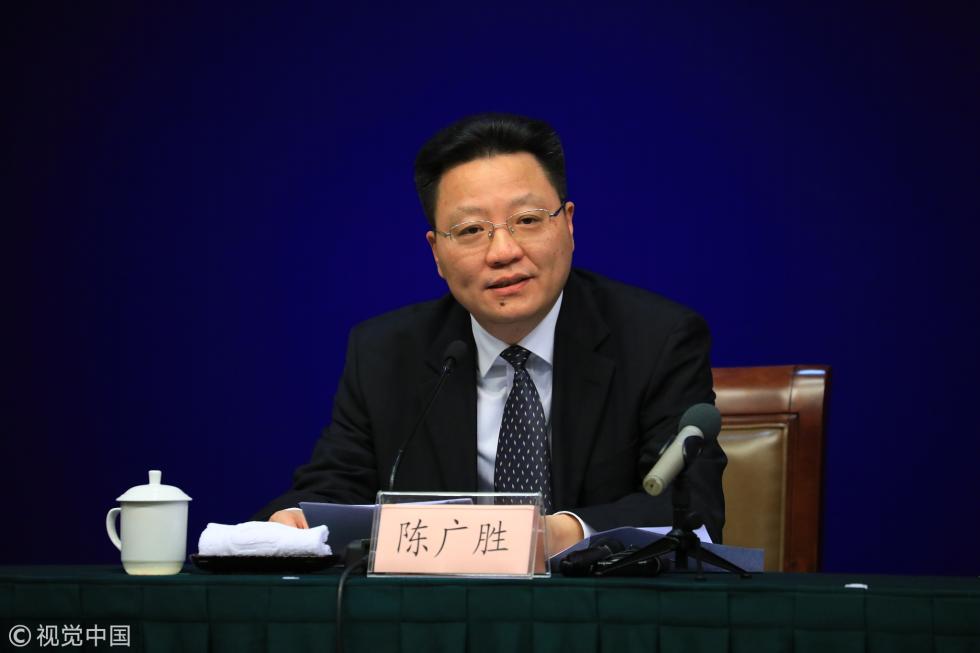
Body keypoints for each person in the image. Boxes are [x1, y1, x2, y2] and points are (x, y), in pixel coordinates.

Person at [255, 113, 725, 554]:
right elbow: (333, 487)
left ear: (568, 224)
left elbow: (691, 506)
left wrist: (563, 533)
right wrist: (296, 519)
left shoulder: (657, 340)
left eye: (527, 220)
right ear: (436, 253)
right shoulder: (385, 353)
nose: (502, 252)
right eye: (471, 230)